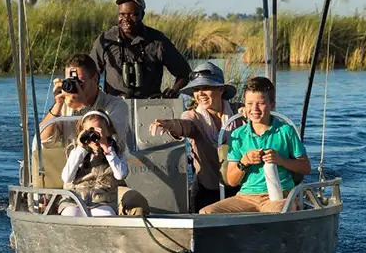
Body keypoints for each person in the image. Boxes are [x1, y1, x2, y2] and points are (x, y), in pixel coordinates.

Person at [199, 76, 311, 214]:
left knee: (277, 212)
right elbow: (232, 181)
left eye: (261, 103)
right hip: (246, 198)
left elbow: (306, 167)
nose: (255, 109)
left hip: (278, 196)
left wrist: (281, 160)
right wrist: (244, 161)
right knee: (206, 213)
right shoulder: (237, 135)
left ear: (272, 104)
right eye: (249, 104)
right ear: (244, 105)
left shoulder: (285, 131)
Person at [148, 62, 245, 212]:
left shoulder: (239, 112)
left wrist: (250, 112)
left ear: (221, 89)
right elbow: (184, 126)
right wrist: (168, 124)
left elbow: (263, 117)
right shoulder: (192, 116)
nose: (200, 94)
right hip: (206, 191)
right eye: (196, 89)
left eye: (206, 87)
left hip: (240, 190)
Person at [90, 0, 192, 99]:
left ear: (142, 15)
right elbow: (90, 74)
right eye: (122, 14)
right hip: (114, 105)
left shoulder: (158, 41)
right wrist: (98, 96)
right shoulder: (106, 40)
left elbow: (185, 74)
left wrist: (173, 91)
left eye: (132, 14)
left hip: (150, 105)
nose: (126, 19)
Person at [40, 53, 129, 147]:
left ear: (95, 79)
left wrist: (82, 107)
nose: (75, 87)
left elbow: (107, 142)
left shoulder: (117, 106)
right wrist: (57, 105)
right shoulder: (65, 106)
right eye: (70, 82)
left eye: (79, 83)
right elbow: (44, 140)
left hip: (103, 161)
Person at [59, 110, 128, 217]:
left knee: (105, 215)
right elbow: (67, 178)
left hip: (103, 200)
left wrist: (107, 148)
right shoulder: (74, 151)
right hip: (75, 199)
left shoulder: (117, 152)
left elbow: (120, 175)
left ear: (108, 132)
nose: (93, 136)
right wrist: (81, 149)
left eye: (98, 131)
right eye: (89, 131)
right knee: (71, 214)